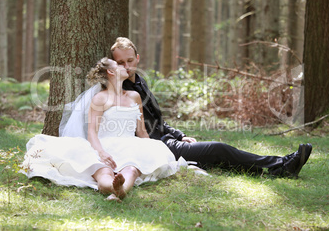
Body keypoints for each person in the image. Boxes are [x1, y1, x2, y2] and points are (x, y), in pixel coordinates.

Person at [110, 37, 312, 178]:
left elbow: (157, 120)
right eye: (120, 63)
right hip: (157, 148)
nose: (126, 67)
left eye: (130, 60)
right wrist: (171, 143)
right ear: (114, 64)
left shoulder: (141, 82)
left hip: (168, 140)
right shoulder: (121, 90)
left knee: (216, 155)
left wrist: (179, 135)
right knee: (218, 148)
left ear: (137, 58)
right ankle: (281, 165)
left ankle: (274, 168)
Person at [21, 57, 186, 202]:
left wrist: (150, 150)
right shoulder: (100, 98)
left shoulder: (134, 96)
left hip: (130, 144)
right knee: (103, 171)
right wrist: (101, 152)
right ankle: (111, 186)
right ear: (111, 72)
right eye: (119, 65)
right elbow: (92, 132)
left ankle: (121, 188)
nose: (125, 67)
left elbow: (141, 131)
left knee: (131, 169)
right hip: (104, 145)